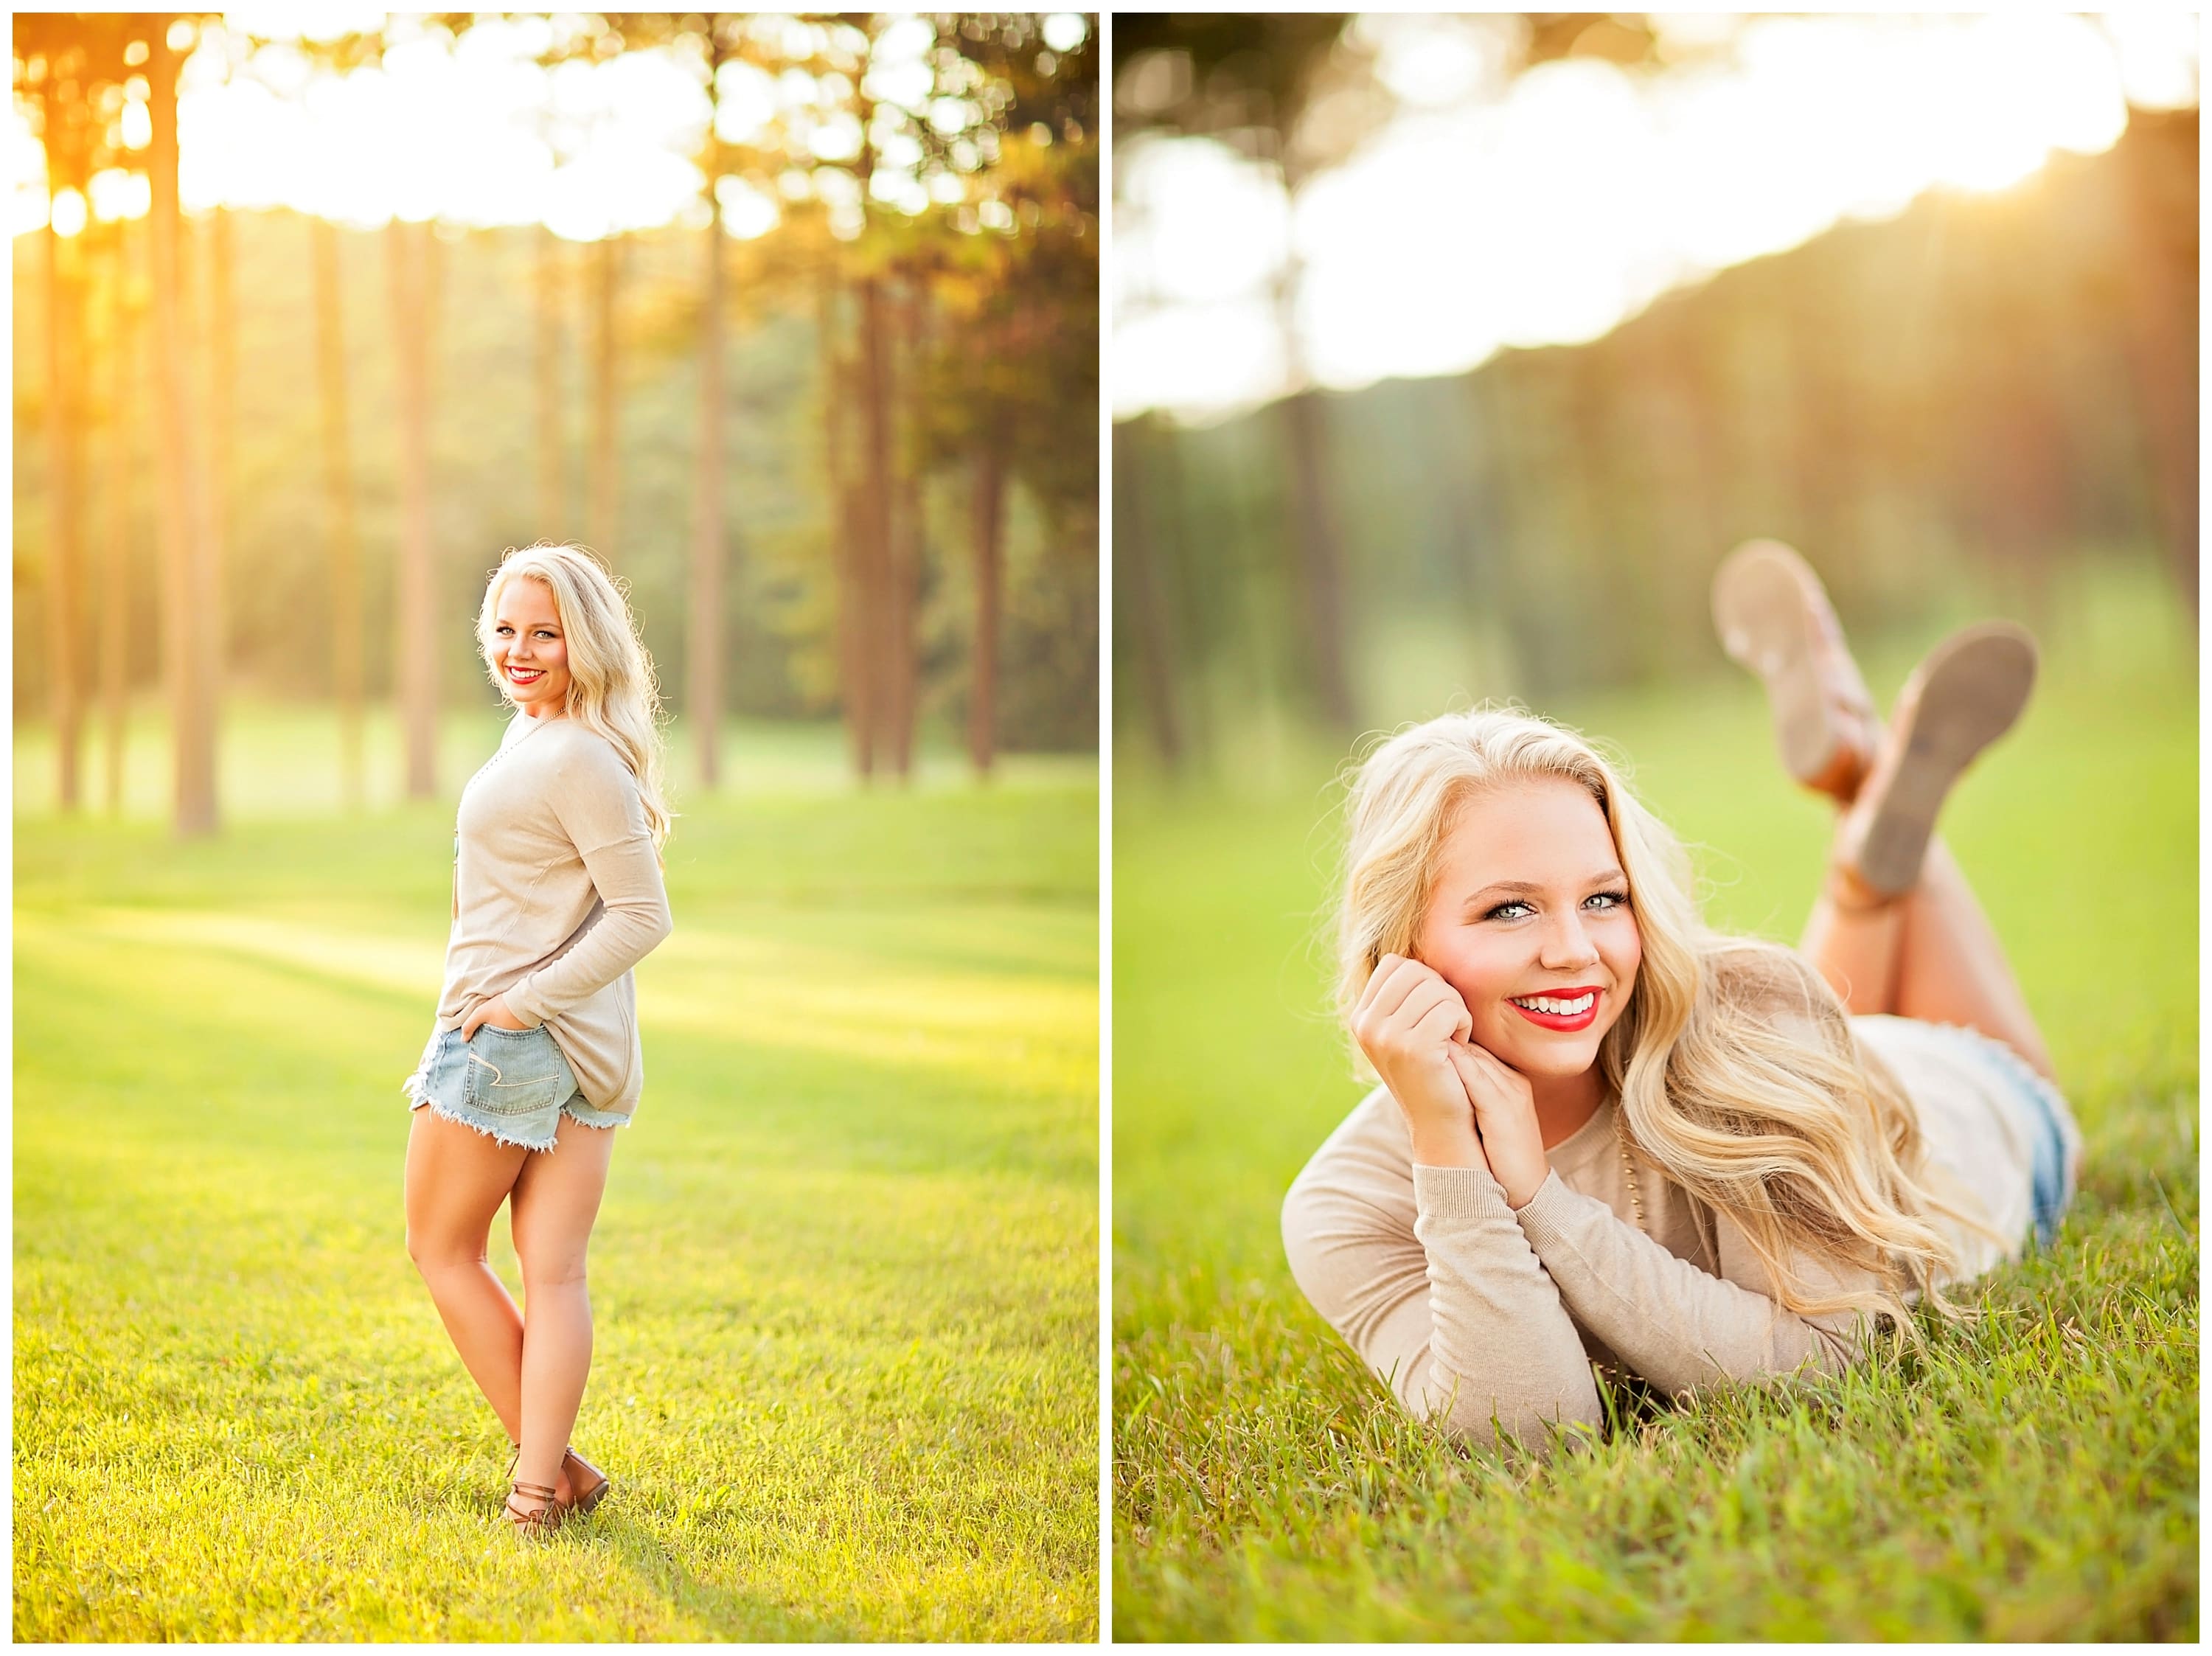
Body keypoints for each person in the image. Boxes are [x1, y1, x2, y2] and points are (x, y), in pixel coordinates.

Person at [1281, 540, 2081, 1454]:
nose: (1575, 951)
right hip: (1790, 1064)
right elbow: (1533, 1436)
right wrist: (1452, 1155)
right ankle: (1863, 802)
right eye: (1509, 909)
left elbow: (1825, 1358)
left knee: (1753, 1010)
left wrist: (1540, 1195)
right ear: (1398, 948)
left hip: (1962, 1106)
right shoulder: (1345, 1204)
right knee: (1751, 1016)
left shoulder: (1756, 1004)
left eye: (1604, 897)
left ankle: (1866, 798)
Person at [400, 543, 675, 1530]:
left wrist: (518, 1004)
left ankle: (544, 1476)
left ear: (585, 640)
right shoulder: (549, 735)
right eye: (506, 629)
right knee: (552, 1272)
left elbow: (643, 915)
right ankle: (554, 1482)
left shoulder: (572, 753)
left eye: (544, 632)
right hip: (583, 1048)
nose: (519, 650)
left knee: (441, 1248)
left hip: (514, 1042)